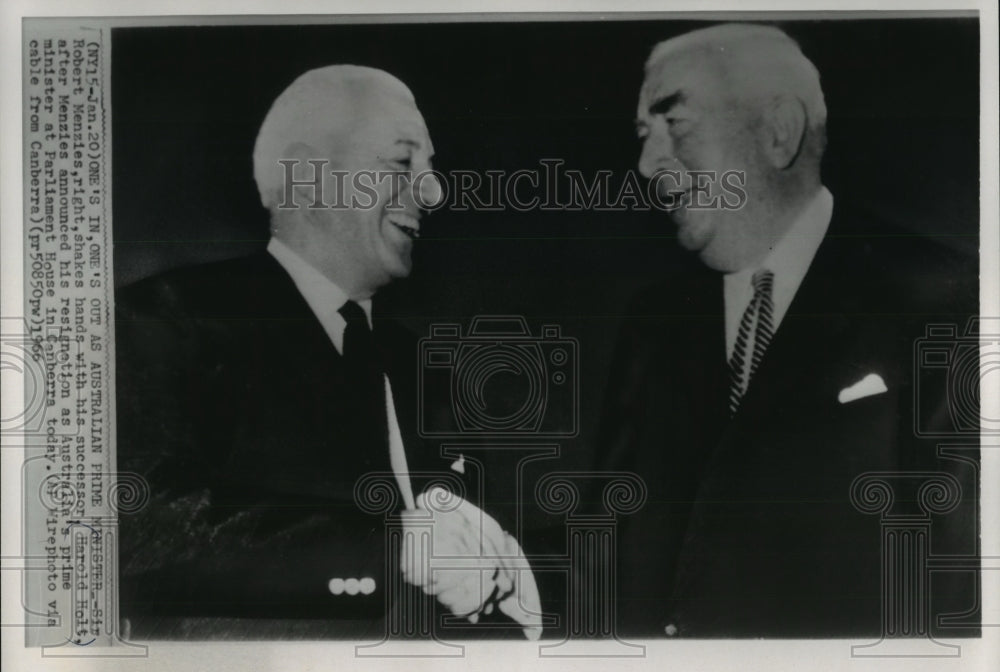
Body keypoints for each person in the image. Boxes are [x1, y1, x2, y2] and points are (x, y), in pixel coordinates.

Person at [116, 65, 540, 640]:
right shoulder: (169, 319)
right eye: (401, 163)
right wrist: (383, 547)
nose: (434, 191)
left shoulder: (428, 367)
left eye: (431, 170)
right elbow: (133, 529)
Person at [597, 24, 979, 637]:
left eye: (675, 124)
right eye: (644, 137)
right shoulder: (651, 326)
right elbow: (609, 564)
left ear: (779, 132)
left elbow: (962, 587)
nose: (647, 165)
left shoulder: (944, 303)